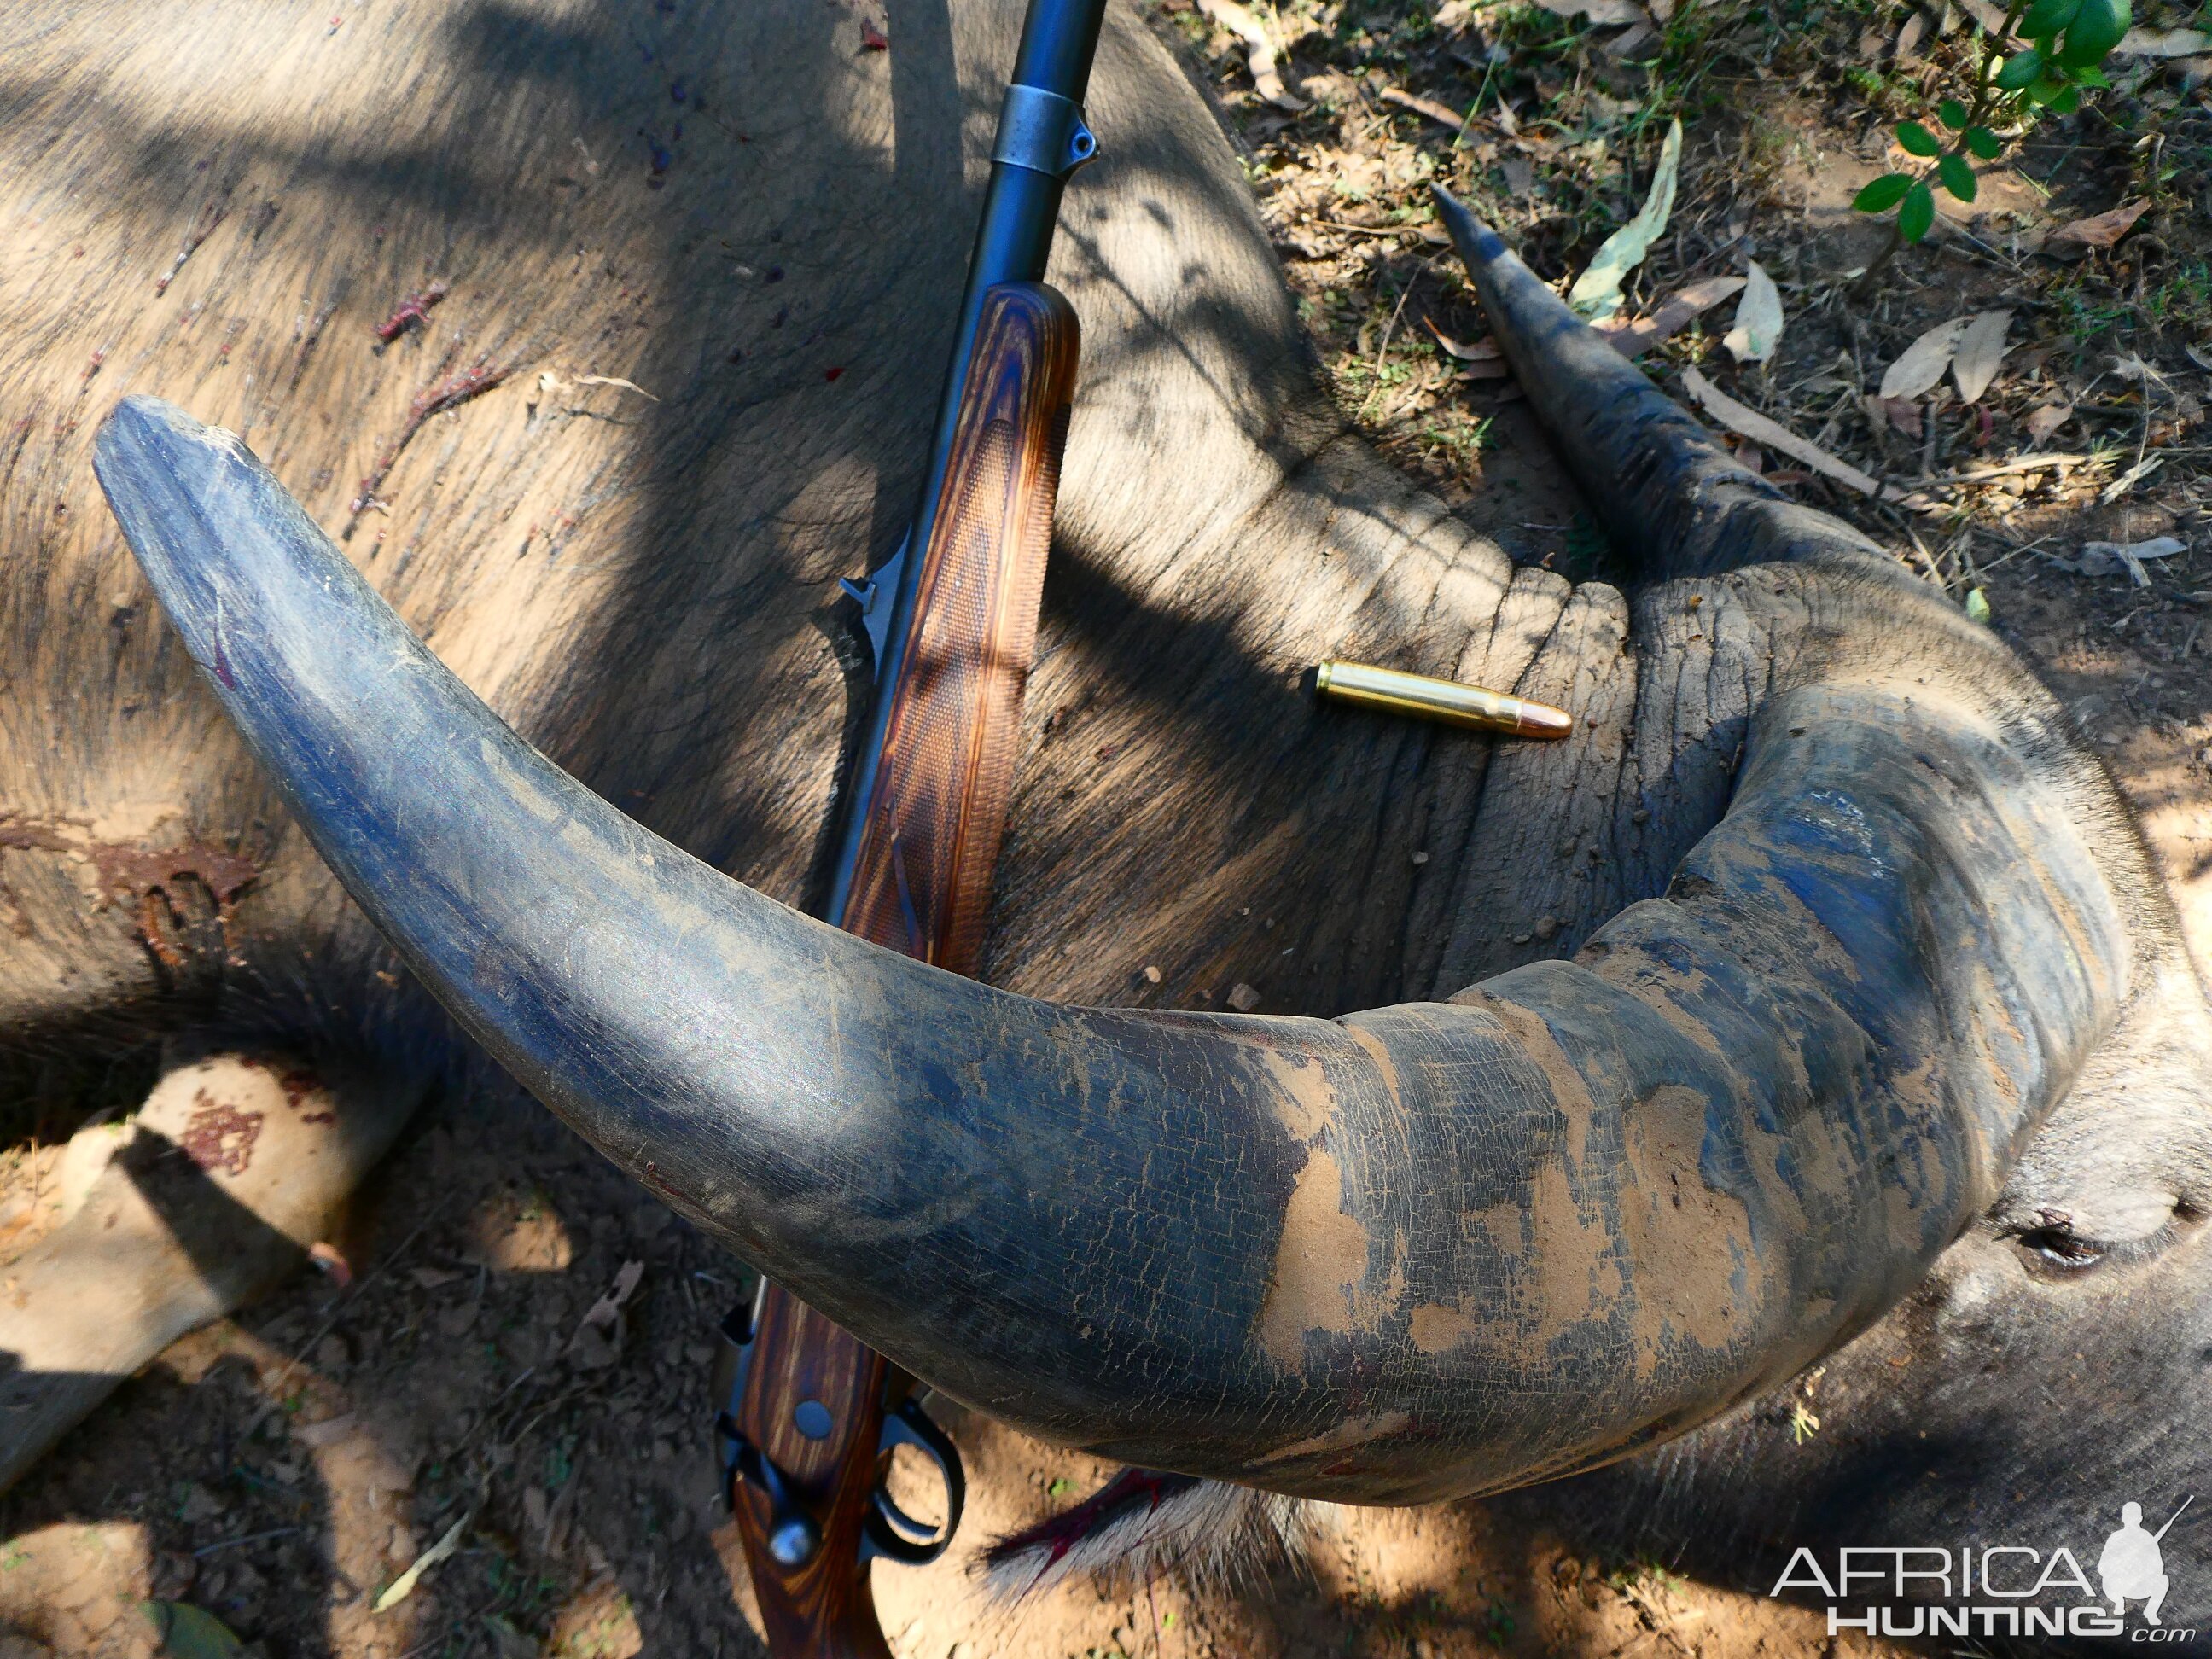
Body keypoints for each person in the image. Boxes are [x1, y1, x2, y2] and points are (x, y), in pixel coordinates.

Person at [2100, 1502, 2171, 1623]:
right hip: (2120, 1585)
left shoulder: (2147, 1538)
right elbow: (2102, 1567)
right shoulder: (2115, 1538)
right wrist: (2120, 1565)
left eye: (2134, 1517)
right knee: (2106, 1580)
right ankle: (2118, 1602)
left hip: (2141, 1586)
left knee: (2163, 1580)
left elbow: (2159, 1567)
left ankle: (2151, 1612)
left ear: (2140, 1519)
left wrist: (2142, 1566)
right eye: (2128, 1517)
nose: (2131, 1520)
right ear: (2123, 1518)